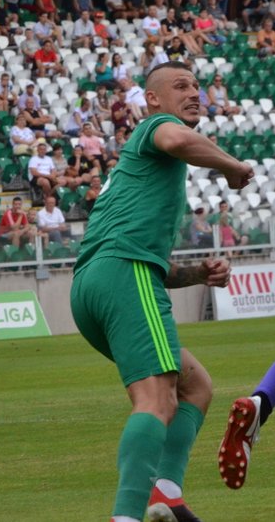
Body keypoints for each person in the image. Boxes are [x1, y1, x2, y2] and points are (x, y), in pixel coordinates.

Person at [69, 61, 253, 522]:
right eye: (179, 86)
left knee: (196, 386)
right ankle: (128, 514)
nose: (194, 93)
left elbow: (151, 259)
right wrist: (232, 167)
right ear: (152, 99)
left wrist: (196, 274)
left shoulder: (144, 170)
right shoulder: (158, 128)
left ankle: (165, 494)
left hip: (98, 282)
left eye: (196, 86)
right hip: (122, 274)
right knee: (155, 399)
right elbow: (176, 139)